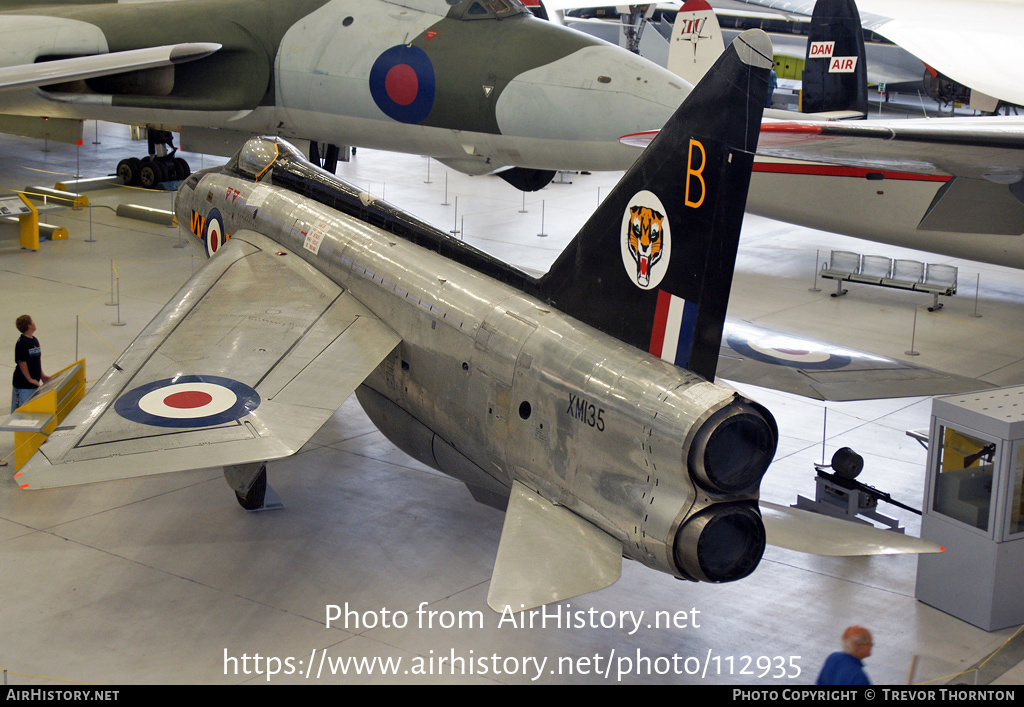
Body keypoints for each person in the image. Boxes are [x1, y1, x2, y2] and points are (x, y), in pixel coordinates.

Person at [11, 314, 49, 413]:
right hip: (23, 385)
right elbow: (22, 363)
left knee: (32, 411)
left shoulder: (34, 340)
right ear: (28, 326)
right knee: (22, 412)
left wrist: (42, 375)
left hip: (34, 383)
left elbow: (36, 360)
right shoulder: (21, 343)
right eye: (32, 321)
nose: (34, 323)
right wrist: (30, 379)